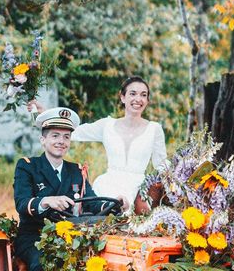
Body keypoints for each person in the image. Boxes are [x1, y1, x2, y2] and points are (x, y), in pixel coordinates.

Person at [13, 107, 128, 271]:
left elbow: (92, 203)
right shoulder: (28, 166)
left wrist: (115, 204)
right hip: (35, 236)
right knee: (44, 262)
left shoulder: (76, 170)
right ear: (42, 140)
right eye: (55, 135)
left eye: (66, 137)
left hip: (73, 235)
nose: (61, 141)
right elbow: (22, 203)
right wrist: (46, 201)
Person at [29, 76, 167, 211]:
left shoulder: (154, 129)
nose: (138, 99)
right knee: (103, 222)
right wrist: (45, 113)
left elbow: (161, 165)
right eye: (133, 93)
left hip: (138, 189)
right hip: (108, 185)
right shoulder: (107, 125)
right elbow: (75, 131)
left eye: (143, 95)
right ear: (123, 97)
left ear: (147, 100)